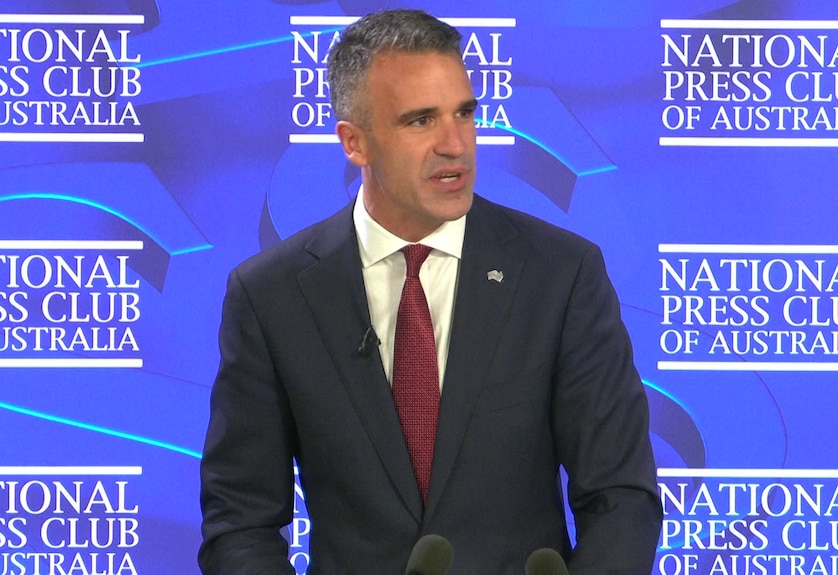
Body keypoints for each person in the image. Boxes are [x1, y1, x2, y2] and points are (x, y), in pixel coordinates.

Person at [199, 9, 662, 574]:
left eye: (463, 113)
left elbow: (620, 496)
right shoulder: (271, 296)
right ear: (355, 142)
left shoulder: (560, 275)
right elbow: (240, 520)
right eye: (420, 121)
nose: (454, 144)